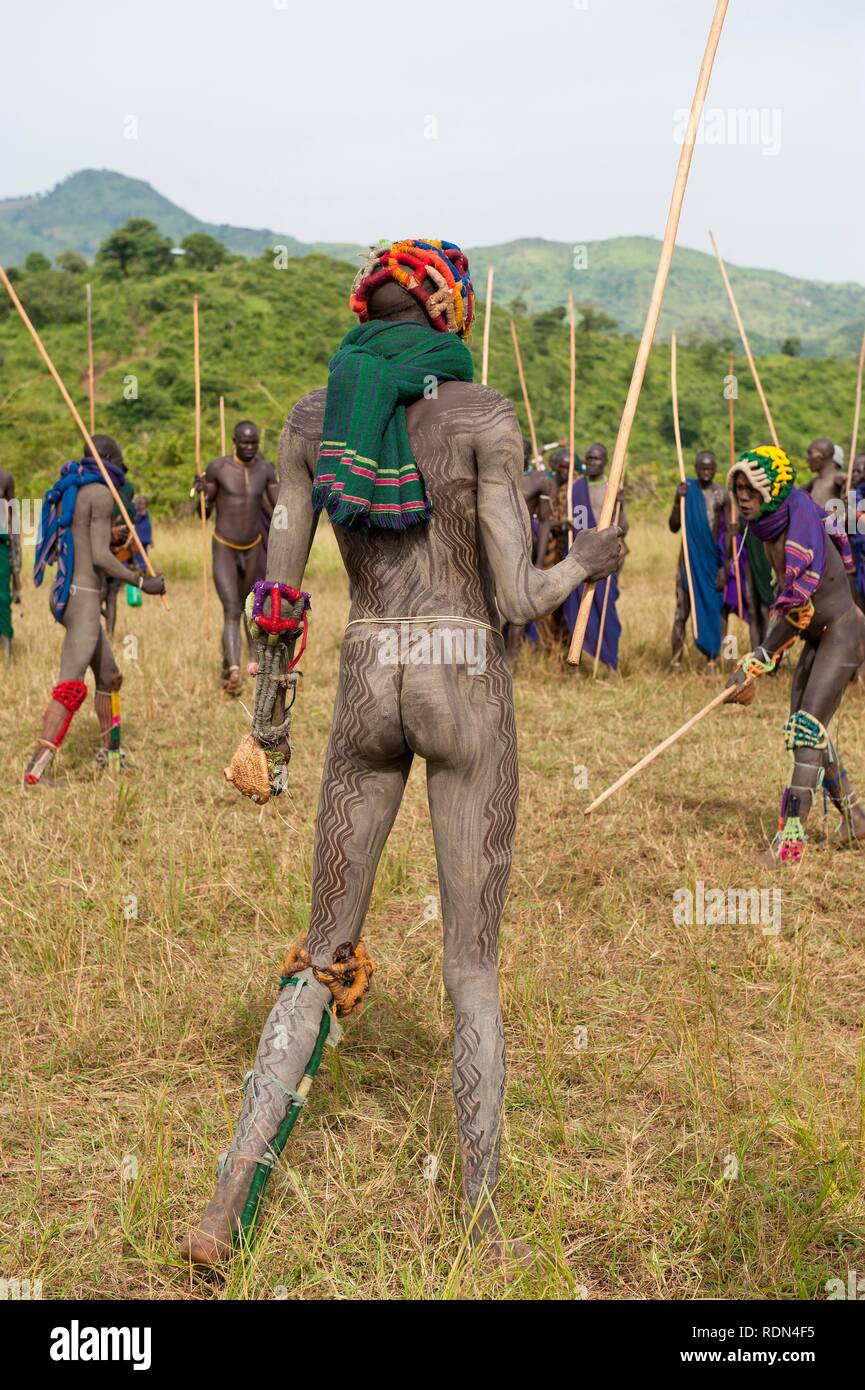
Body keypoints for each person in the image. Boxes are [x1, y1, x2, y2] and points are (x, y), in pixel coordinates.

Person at [181, 238, 622, 1266]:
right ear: (448, 313)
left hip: (369, 671)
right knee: (469, 967)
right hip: (465, 673)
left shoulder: (312, 416)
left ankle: (221, 1207)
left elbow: (277, 599)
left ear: (365, 304)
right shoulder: (483, 416)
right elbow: (517, 599)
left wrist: (269, 729)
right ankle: (480, 1221)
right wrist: (589, 563)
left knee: (321, 948)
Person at [726, 445, 865, 864]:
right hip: (817, 635)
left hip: (841, 633)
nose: (744, 497)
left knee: (807, 728)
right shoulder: (769, 527)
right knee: (806, 729)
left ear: (773, 488)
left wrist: (756, 659)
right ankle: (855, 816)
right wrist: (759, 658)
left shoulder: (799, 525)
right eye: (738, 490)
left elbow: (795, 611)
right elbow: (792, 614)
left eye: (751, 489)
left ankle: (790, 843)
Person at [24, 435, 165, 784]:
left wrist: (113, 538)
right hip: (84, 598)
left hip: (77, 594)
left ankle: (112, 757)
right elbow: (101, 557)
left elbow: (89, 543)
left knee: (109, 678)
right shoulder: (101, 493)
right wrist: (141, 581)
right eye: (118, 455)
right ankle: (35, 770)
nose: (123, 460)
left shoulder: (80, 489)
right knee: (70, 686)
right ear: (105, 457)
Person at [193, 421, 279, 694]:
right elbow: (203, 511)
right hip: (225, 547)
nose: (250, 448)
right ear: (235, 441)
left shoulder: (265, 470)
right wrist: (201, 493)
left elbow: (280, 505)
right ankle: (233, 670)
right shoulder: (218, 467)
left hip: (253, 546)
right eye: (245, 443)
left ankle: (250, 659)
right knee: (231, 609)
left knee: (248, 608)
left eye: (254, 443)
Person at [669, 449, 730, 672]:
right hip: (688, 560)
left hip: (712, 561)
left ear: (715, 469)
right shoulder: (686, 491)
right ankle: (676, 660)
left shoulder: (722, 495)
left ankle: (713, 659)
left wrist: (725, 566)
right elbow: (673, 526)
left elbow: (729, 532)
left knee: (714, 609)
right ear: (695, 468)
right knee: (682, 610)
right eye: (702, 468)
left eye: (710, 468)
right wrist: (678, 500)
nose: (706, 472)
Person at [0, 465, 22, 660]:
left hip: (2, 546)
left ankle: (7, 652)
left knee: (3, 599)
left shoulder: (5, 477)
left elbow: (13, 518)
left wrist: (17, 565)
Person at [803, 437, 845, 508]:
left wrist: (846, 483)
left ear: (825, 455)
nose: (807, 460)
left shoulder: (840, 480)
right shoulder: (815, 481)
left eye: (810, 453)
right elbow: (794, 494)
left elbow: (851, 513)